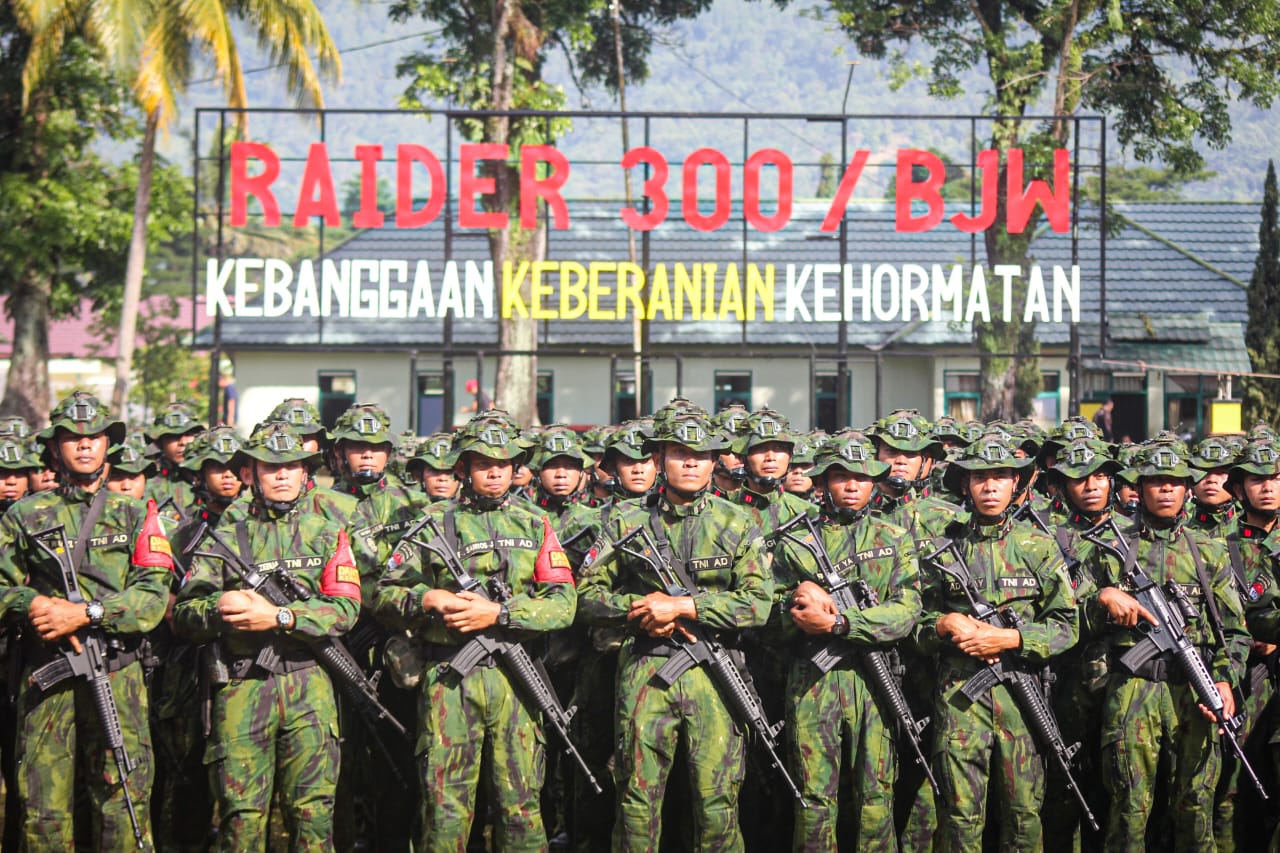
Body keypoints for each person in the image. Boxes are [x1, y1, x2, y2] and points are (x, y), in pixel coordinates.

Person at [374, 409, 577, 851]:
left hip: (516, 680)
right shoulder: (430, 523)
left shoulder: (535, 523)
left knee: (520, 806)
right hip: (450, 678)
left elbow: (564, 604)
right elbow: (385, 594)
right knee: (444, 807)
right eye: (484, 463)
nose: (494, 472)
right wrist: (427, 599)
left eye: (503, 464)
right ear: (464, 467)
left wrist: (500, 614)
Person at [577, 406, 773, 851]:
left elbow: (758, 604)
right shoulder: (625, 521)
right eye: (680, 453)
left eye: (701, 455)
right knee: (637, 800)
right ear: (659, 458)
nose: (691, 463)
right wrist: (641, 610)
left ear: (715, 461)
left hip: (715, 674)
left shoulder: (738, 522)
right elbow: (585, 597)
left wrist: (684, 606)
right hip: (646, 671)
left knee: (717, 802)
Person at [173, 421, 361, 850]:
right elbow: (184, 613)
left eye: (291, 466)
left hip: (309, 685)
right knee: (241, 818)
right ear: (248, 473)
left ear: (305, 471)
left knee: (313, 816)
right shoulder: (223, 537)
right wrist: (220, 608)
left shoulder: (327, 534)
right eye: (271, 467)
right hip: (242, 687)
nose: (282, 475)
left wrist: (281, 617)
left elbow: (346, 609)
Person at [0, 391, 173, 849]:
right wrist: (32, 604)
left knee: (122, 794)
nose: (83, 444)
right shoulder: (24, 515)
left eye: (94, 436)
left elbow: (153, 596)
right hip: (48, 671)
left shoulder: (136, 513)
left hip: (117, 672)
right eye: (72, 437)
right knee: (42, 802)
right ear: (55, 447)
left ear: (107, 445)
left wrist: (86, 613)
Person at [1082, 436, 1249, 850]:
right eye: (1157, 481)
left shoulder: (1208, 552)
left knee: (1196, 807)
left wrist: (1224, 681)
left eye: (1175, 481)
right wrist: (1103, 598)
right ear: (1140, 487)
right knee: (1129, 809)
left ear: (1188, 488)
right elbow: (1070, 618)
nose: (1167, 489)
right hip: (1134, 688)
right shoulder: (1111, 547)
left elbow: (1233, 632)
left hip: (1194, 689)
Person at [916, 432, 1078, 850]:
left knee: (1024, 816)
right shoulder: (943, 549)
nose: (990, 486)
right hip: (960, 700)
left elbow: (1067, 625)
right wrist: (944, 623)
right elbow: (915, 624)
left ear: (1016, 483)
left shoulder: (1038, 546)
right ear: (965, 485)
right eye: (980, 477)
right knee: (959, 817)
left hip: (1021, 699)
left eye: (1001, 476)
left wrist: (1010, 638)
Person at [773, 434, 920, 851]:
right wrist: (797, 598)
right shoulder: (795, 541)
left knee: (876, 798)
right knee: (814, 799)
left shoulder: (894, 536)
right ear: (823, 482)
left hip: (875, 683)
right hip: (814, 683)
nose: (852, 486)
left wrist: (840, 623)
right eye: (841, 476)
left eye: (862, 477)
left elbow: (907, 610)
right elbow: (768, 616)